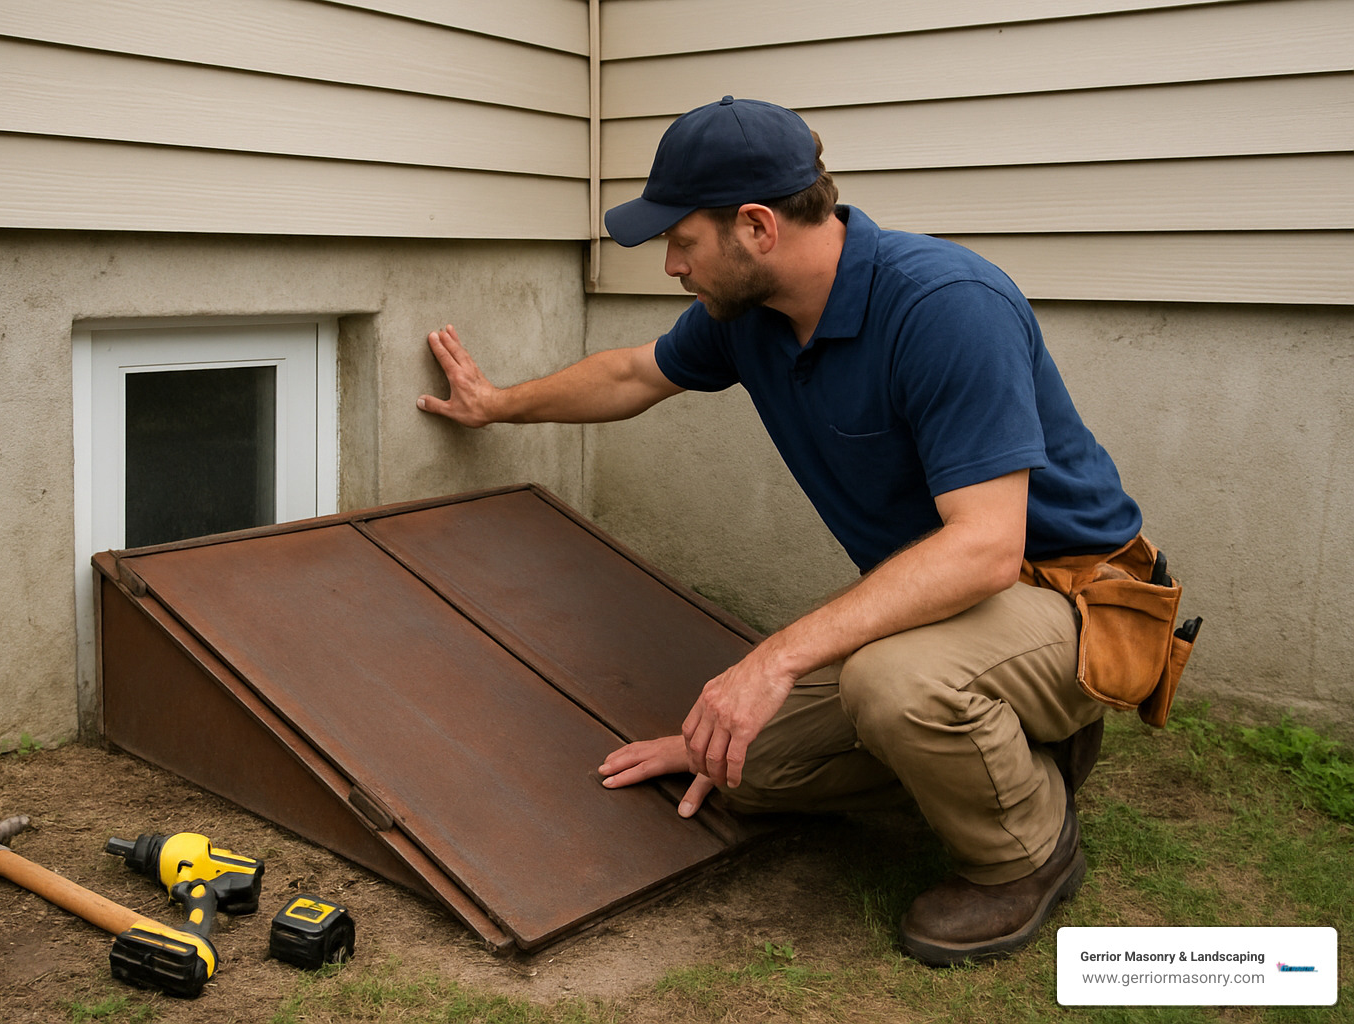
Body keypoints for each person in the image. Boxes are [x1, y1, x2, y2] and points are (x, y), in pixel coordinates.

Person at [416, 96, 1143, 966]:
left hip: (1072, 598)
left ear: (755, 226)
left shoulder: (946, 305)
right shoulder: (751, 319)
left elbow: (986, 549)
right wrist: (498, 406)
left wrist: (774, 660)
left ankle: (1023, 854)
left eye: (681, 242)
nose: (672, 265)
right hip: (953, 606)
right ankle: (1013, 745)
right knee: (737, 767)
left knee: (895, 686)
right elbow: (629, 375)